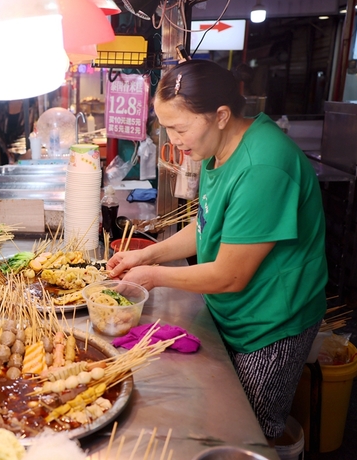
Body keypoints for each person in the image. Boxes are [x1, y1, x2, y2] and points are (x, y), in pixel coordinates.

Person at [107, 60, 327, 444]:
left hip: (271, 324)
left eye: (179, 128)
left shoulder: (263, 166)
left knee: (249, 435)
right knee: (219, 422)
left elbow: (230, 274)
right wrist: (147, 255)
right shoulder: (216, 148)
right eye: (165, 128)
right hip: (233, 310)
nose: (173, 139)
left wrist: (154, 277)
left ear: (221, 115)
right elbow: (207, 224)